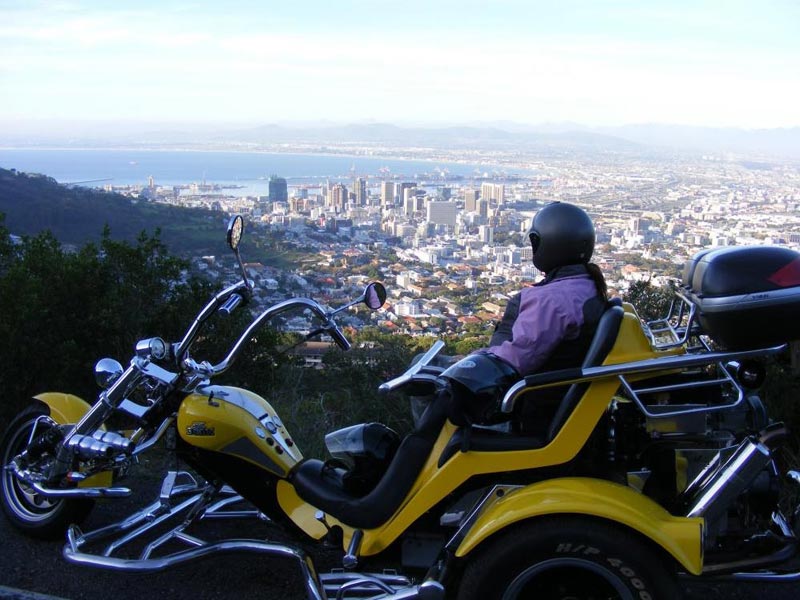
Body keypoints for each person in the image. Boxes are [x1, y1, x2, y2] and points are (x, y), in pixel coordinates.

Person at [440, 201, 609, 432]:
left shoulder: (551, 301)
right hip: (554, 401)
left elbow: (514, 359)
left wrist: (469, 359)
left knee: (432, 378)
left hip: (525, 408)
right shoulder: (587, 286)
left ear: (544, 244)